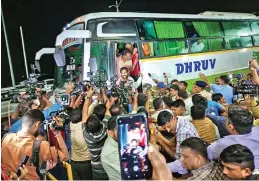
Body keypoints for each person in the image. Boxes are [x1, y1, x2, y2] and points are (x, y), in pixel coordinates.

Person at [2, 110, 69, 180]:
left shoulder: (6, 138)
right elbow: (65, 156)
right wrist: (57, 132)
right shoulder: (40, 146)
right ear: (37, 124)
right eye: (40, 126)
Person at [81, 87, 111, 180]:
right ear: (101, 122)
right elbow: (108, 107)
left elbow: (84, 113)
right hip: (108, 167)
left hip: (96, 169)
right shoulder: (105, 130)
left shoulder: (87, 135)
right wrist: (102, 91)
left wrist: (88, 97)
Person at [69, 108, 92, 180]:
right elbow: (89, 109)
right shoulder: (84, 127)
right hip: (86, 164)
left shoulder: (70, 125)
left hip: (74, 163)